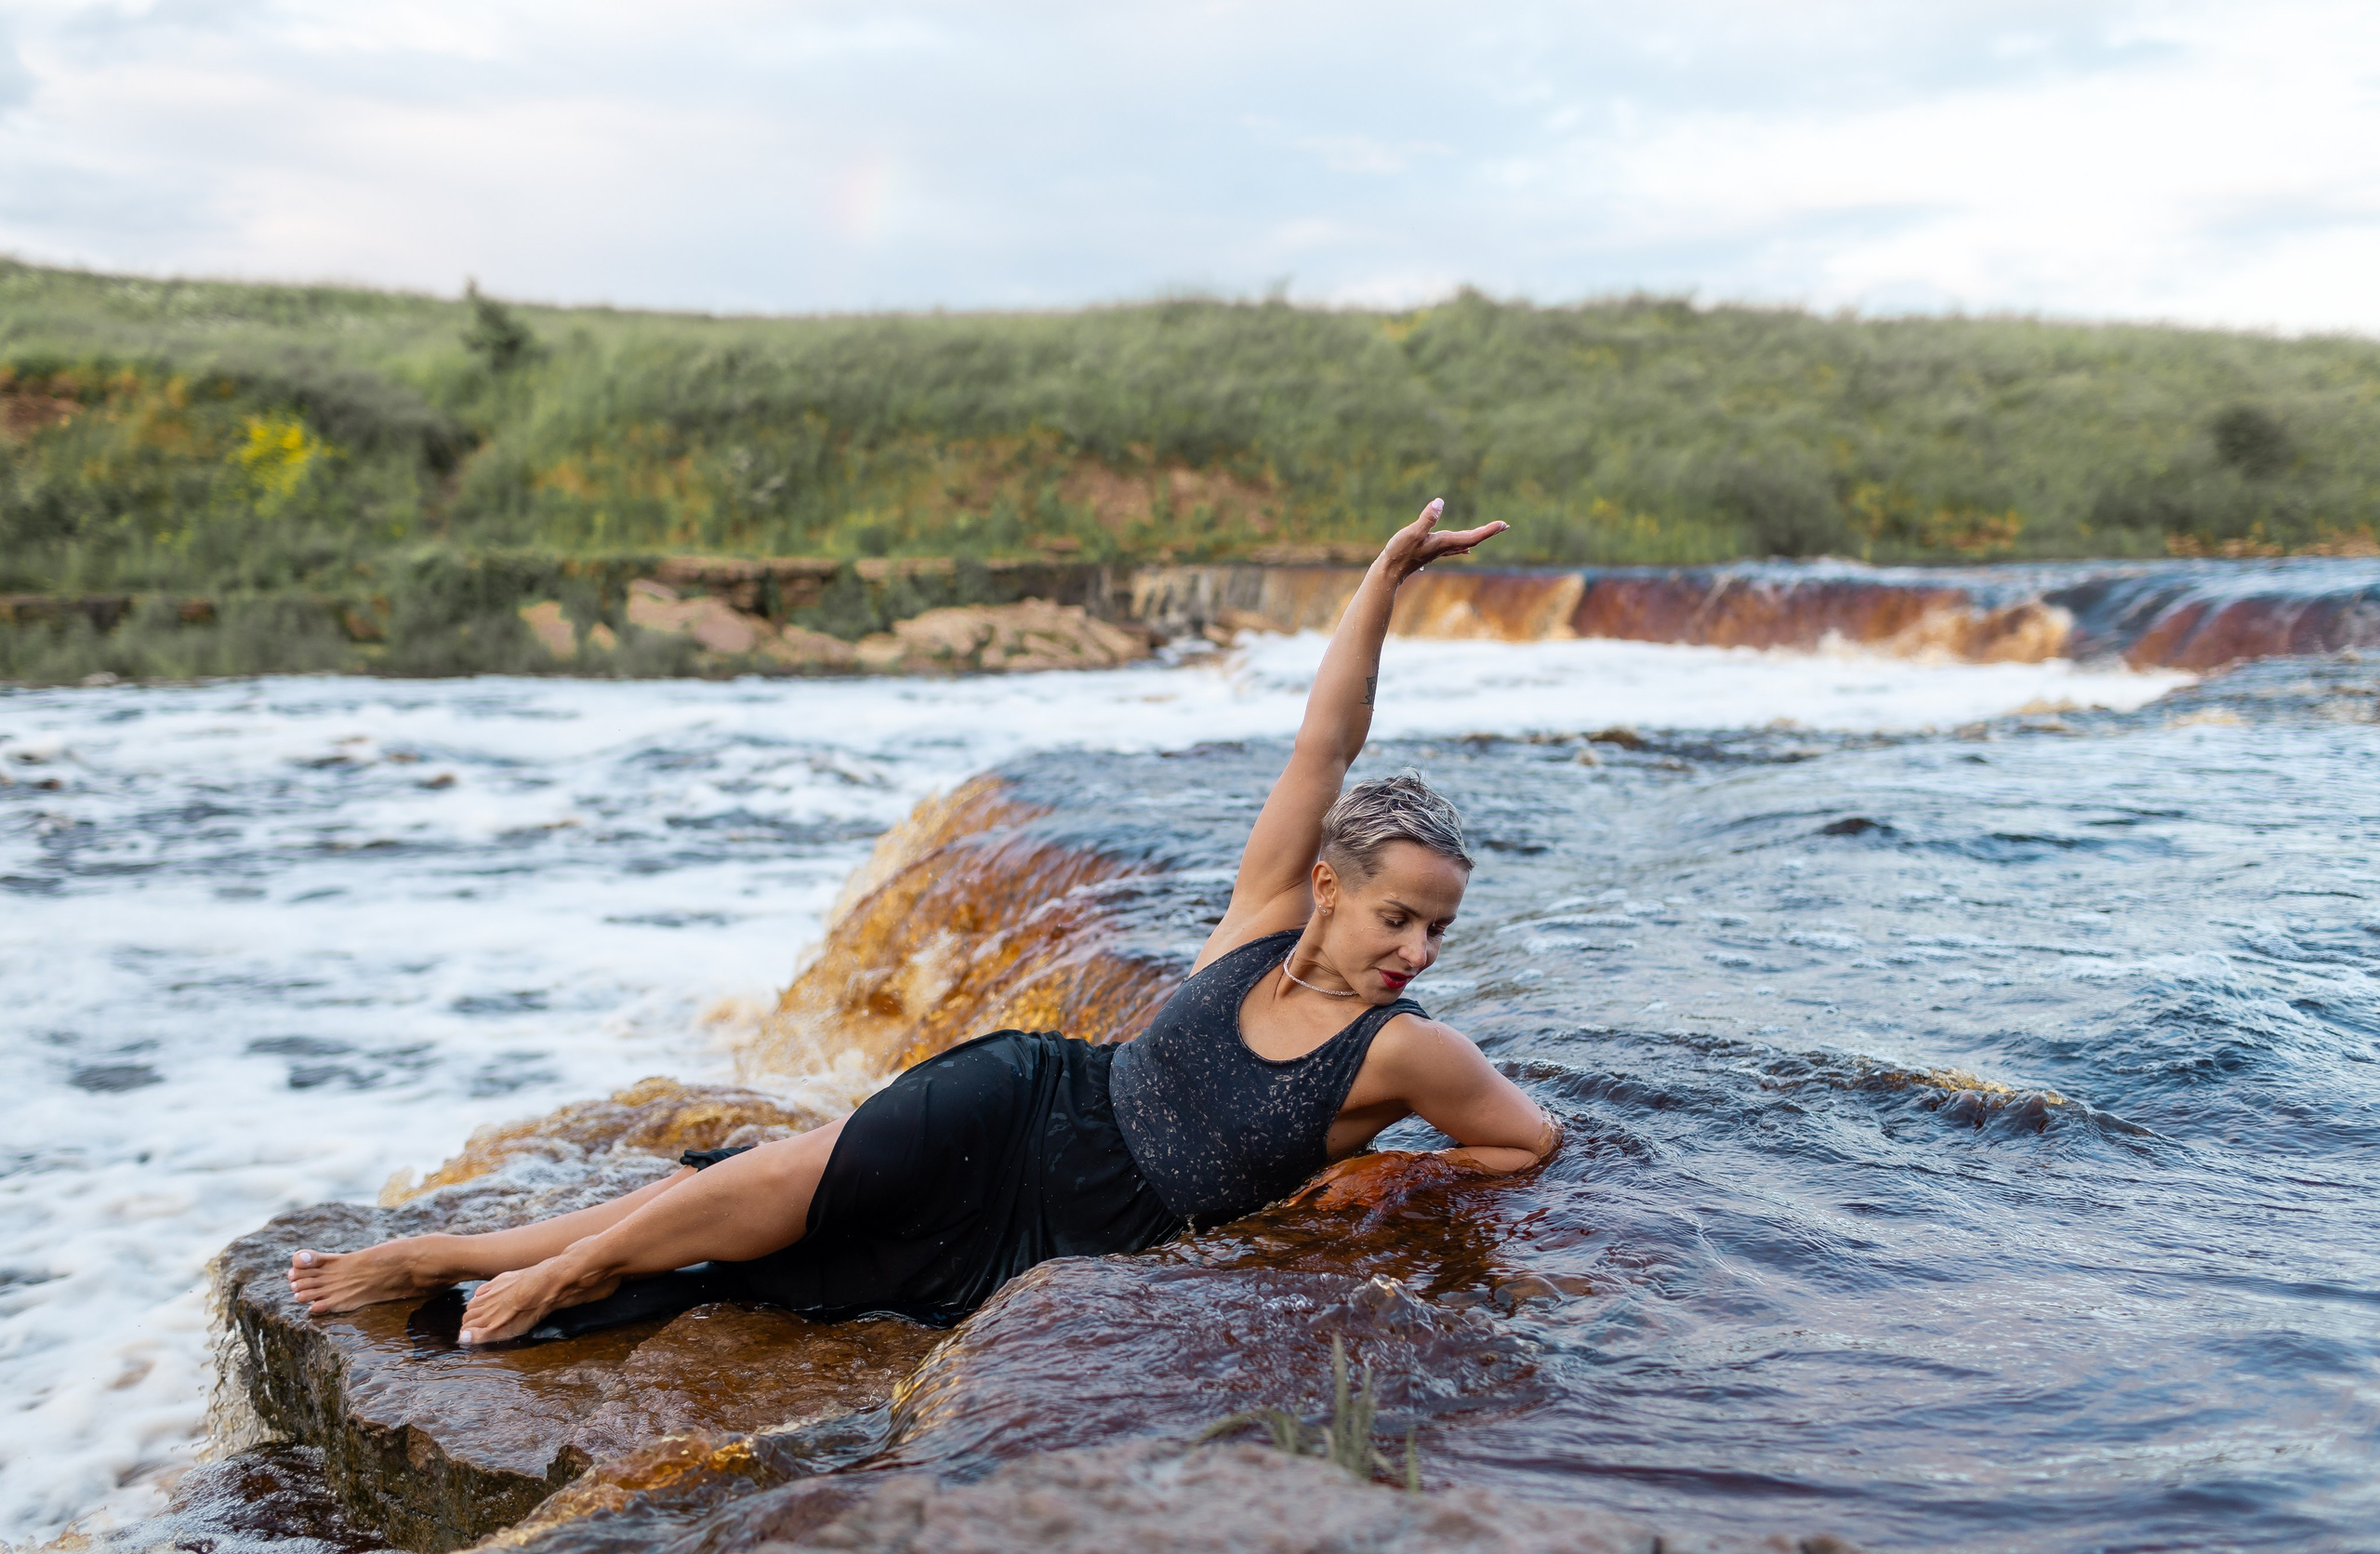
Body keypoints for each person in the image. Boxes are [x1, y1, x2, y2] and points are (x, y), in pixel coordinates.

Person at [288, 498, 1559, 1343]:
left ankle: (488, 1261)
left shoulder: (1404, 1052)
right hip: (1024, 1101)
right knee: (777, 1181)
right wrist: (1384, 578)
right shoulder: (1264, 915)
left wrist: (1385, 1175)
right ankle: (493, 1259)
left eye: (1437, 932)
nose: (1416, 952)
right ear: (1329, 887)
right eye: (1399, 916)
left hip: (1076, 1226)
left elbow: (1529, 1142)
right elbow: (1325, 743)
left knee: (764, 1230)